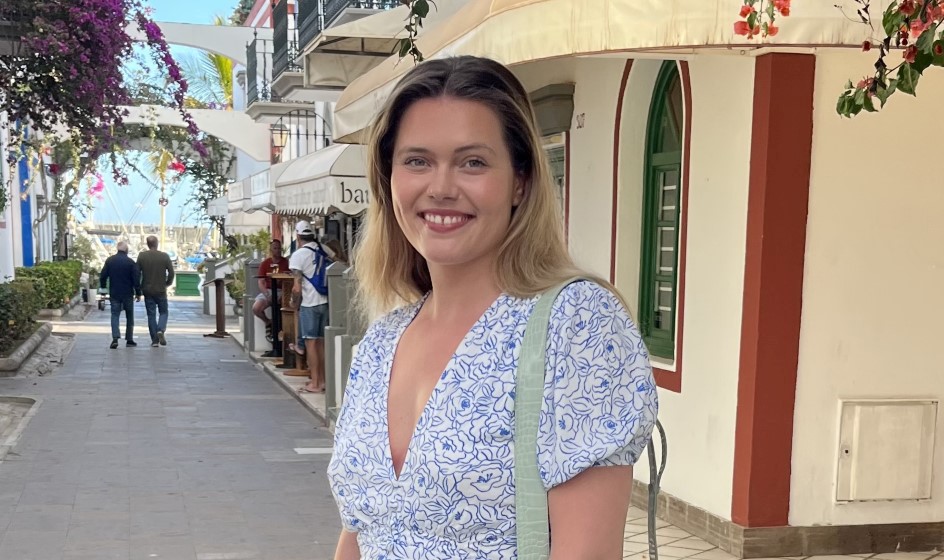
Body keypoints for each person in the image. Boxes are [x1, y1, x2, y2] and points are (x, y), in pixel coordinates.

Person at [327, 56, 659, 559]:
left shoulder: (575, 325)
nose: (441, 187)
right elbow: (360, 532)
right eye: (417, 161)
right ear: (388, 179)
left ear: (520, 181)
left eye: (473, 162)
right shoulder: (382, 341)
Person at [288, 221, 331, 393]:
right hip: (325, 301)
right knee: (322, 343)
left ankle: (315, 383)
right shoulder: (323, 249)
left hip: (309, 304)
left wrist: (294, 302)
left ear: (298, 236)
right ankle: (324, 381)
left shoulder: (298, 255)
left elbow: (297, 287)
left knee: (311, 343)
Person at [99, 241, 142, 349]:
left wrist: (103, 288)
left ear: (117, 249)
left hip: (114, 293)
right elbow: (136, 279)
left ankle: (115, 338)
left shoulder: (110, 260)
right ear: (126, 250)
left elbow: (103, 276)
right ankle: (129, 339)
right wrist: (138, 293)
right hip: (128, 293)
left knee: (115, 315)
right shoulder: (131, 262)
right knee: (129, 316)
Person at [136, 235, 175, 348]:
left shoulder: (142, 256)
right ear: (157, 243)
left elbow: (137, 273)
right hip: (161, 289)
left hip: (147, 290)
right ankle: (160, 329)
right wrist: (167, 283)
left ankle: (154, 341)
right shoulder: (164, 256)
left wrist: (138, 288)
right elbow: (171, 273)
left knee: (151, 315)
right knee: (163, 312)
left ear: (148, 244)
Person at [252, 239, 290, 341]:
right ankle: (268, 322)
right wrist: (267, 295)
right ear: (271, 250)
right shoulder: (265, 263)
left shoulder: (286, 262)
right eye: (275, 248)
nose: (277, 250)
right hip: (269, 290)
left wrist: (284, 294)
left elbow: (290, 280)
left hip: (283, 290)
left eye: (279, 248)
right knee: (256, 308)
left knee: (285, 307)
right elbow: (261, 282)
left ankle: (281, 332)